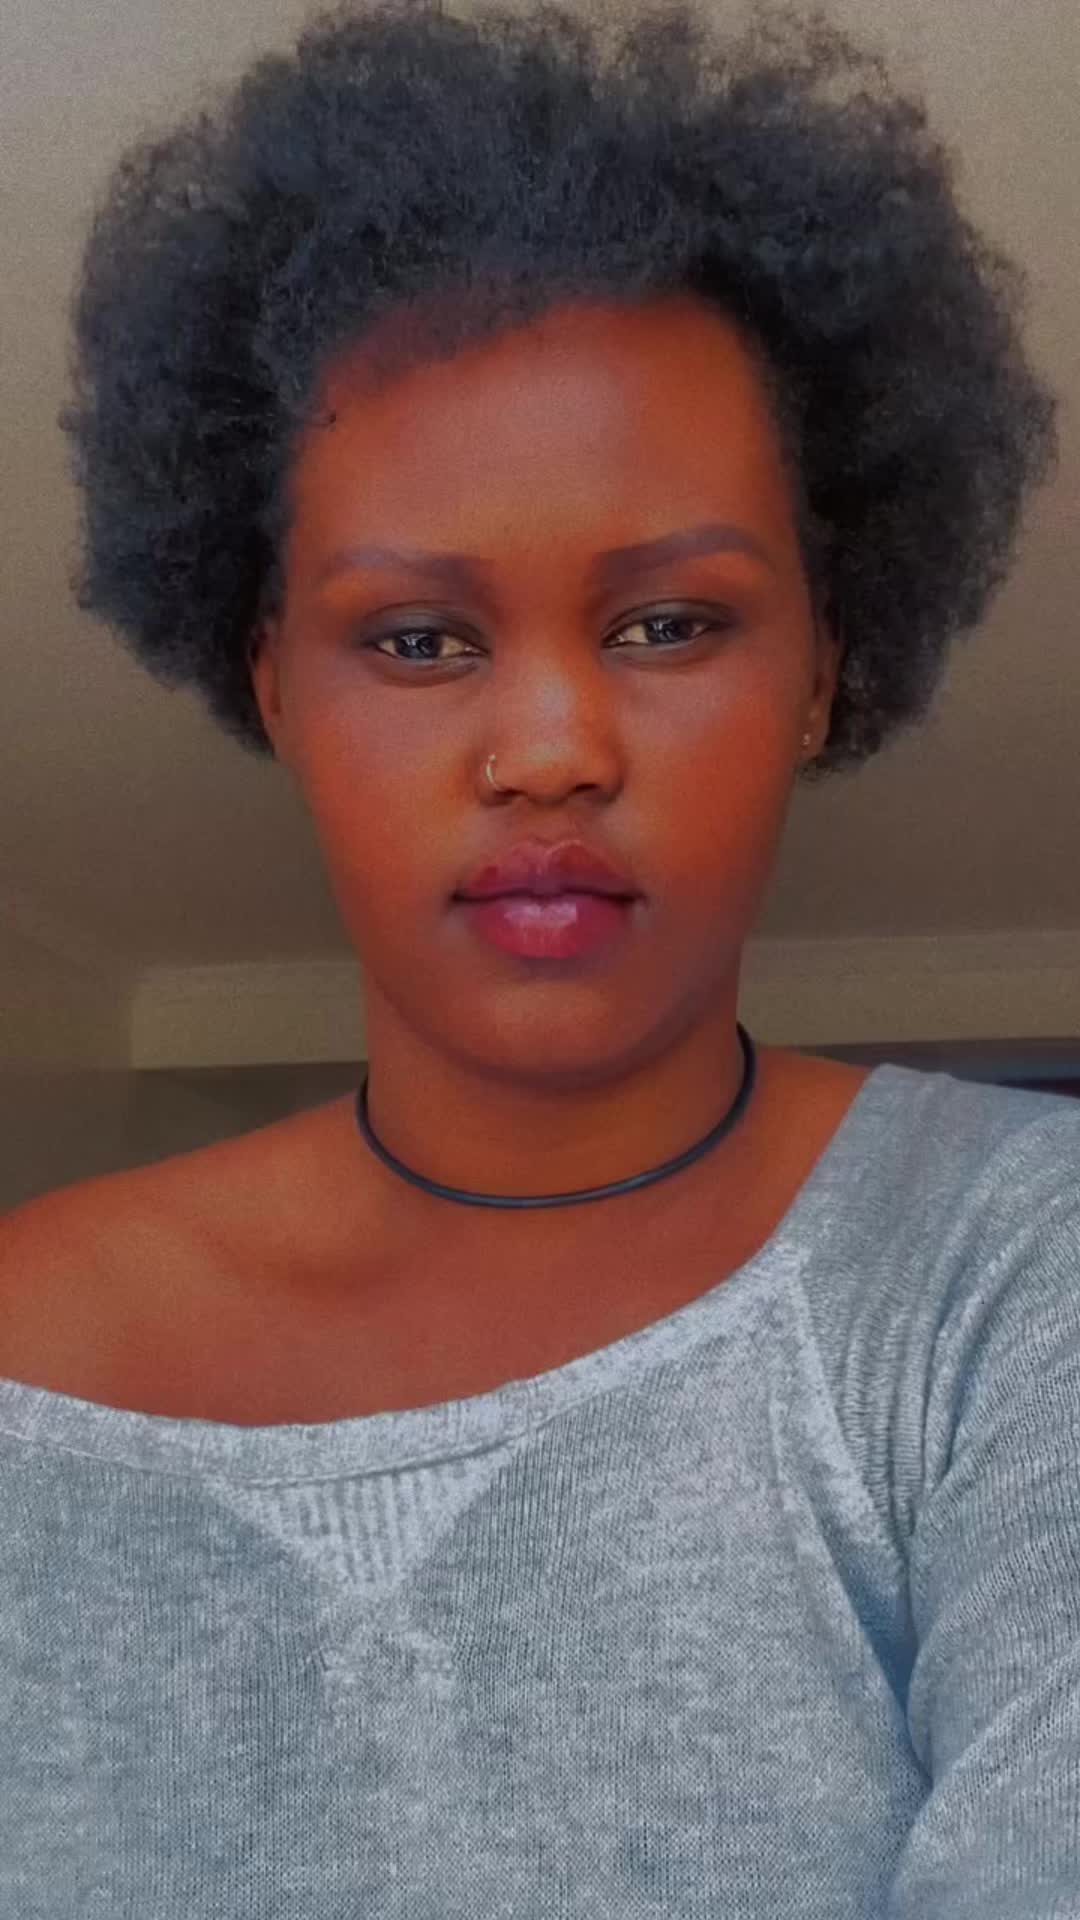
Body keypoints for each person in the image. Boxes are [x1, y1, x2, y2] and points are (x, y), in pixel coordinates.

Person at [1, 1, 1076, 1911]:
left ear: (822, 670)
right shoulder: (24, 1344)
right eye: (417, 640)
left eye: (669, 624)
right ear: (275, 685)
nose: (555, 750)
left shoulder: (1008, 1280)